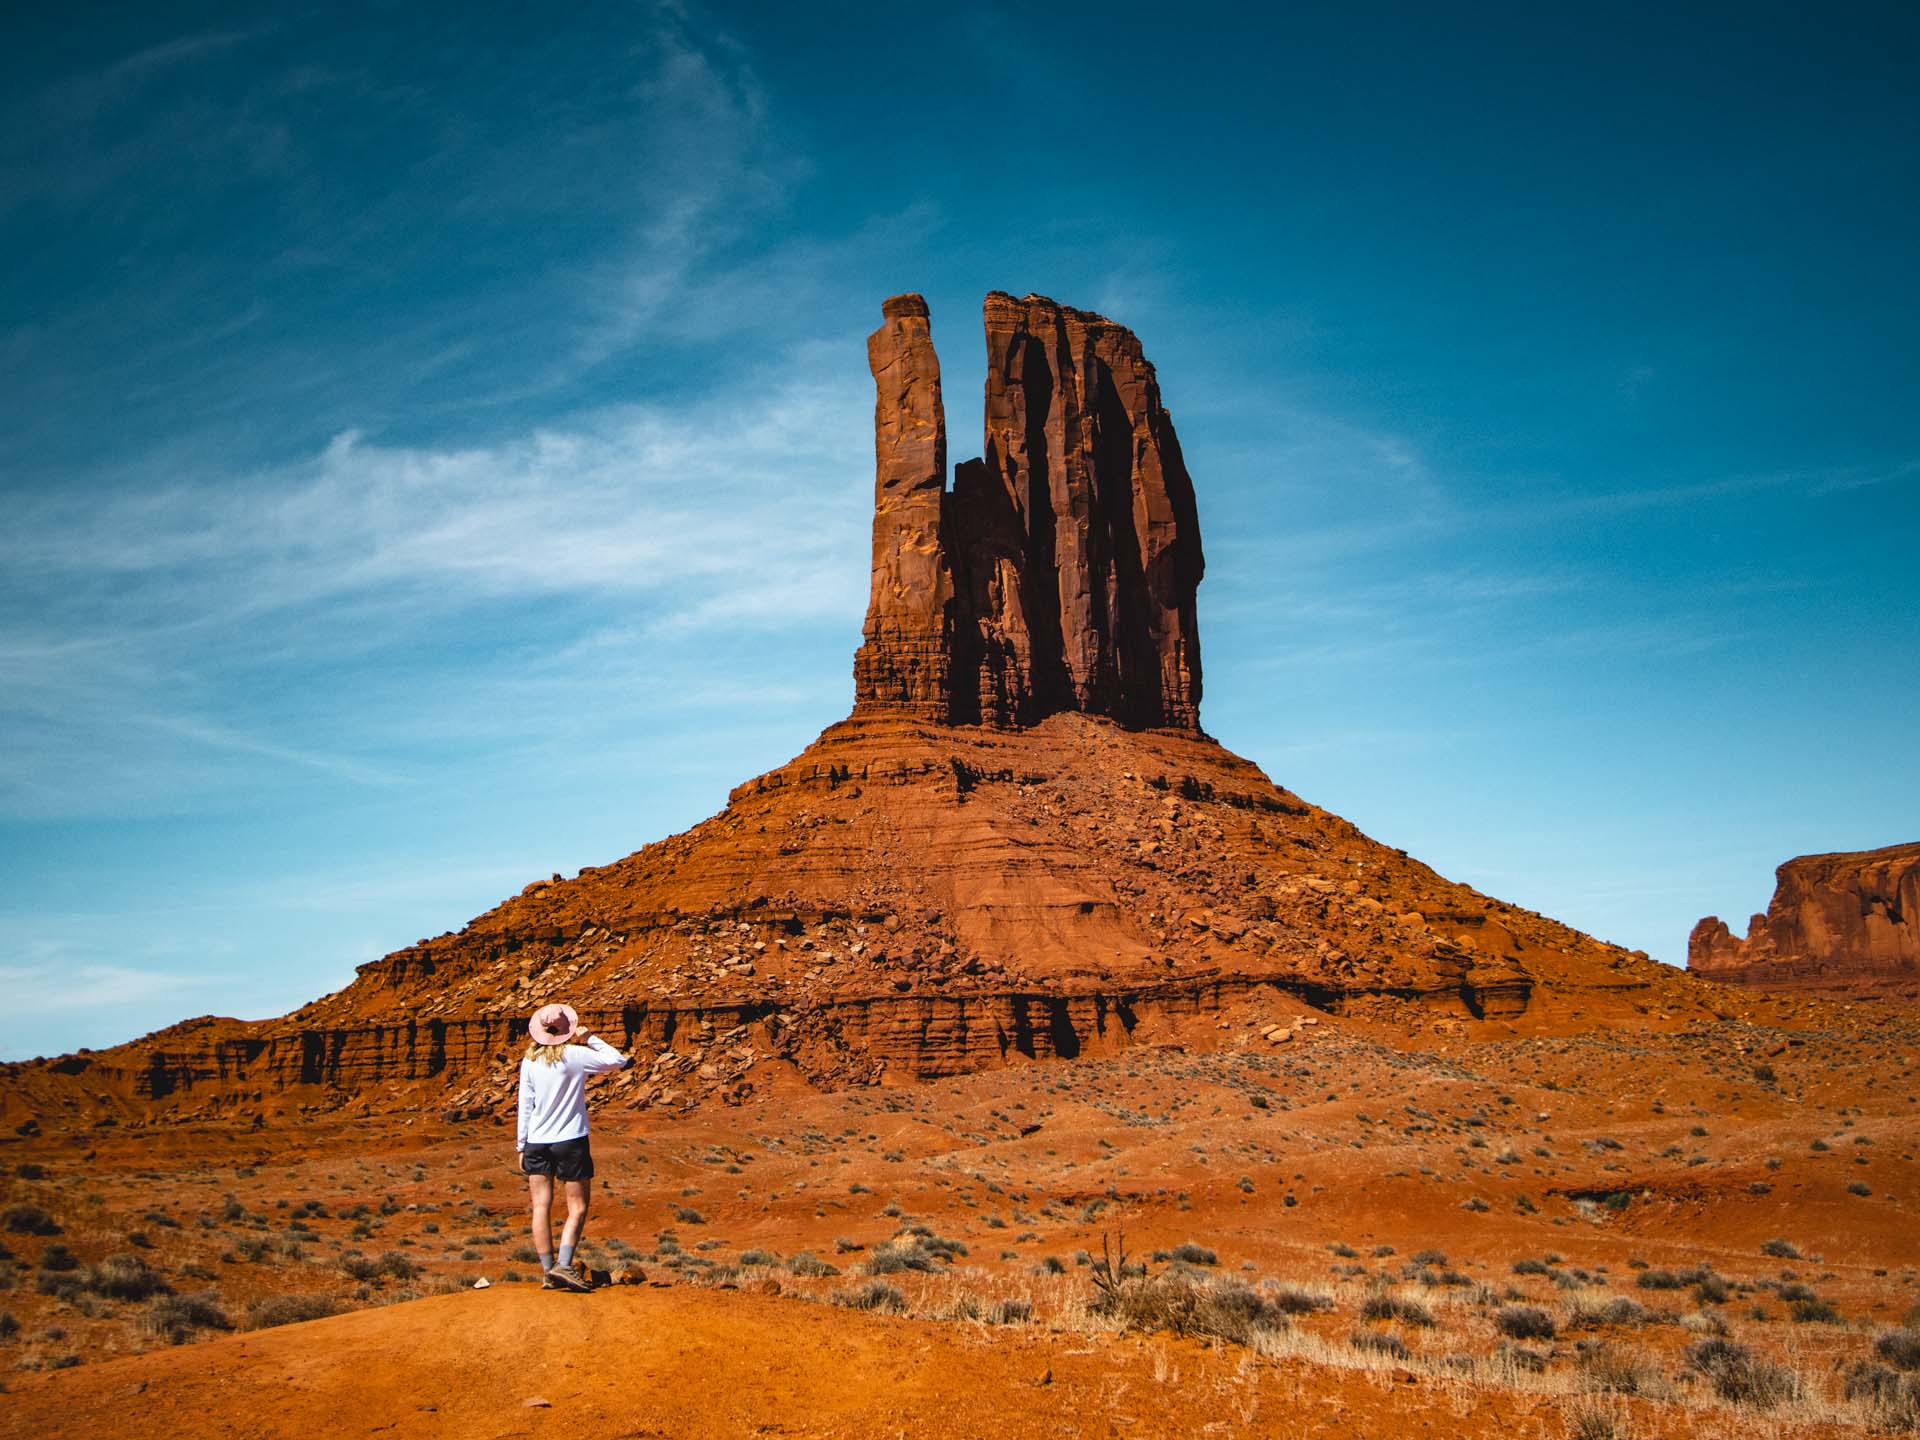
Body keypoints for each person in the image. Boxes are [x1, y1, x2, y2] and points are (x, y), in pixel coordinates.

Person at [515, 1001, 628, 1292]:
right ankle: (564, 1266)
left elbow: (525, 1105)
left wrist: (521, 1145)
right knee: (577, 1207)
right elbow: (618, 1060)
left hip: (536, 1142)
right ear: (568, 1030)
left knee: (540, 1206)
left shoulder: (529, 1061)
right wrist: (588, 1036)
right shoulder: (576, 1055)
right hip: (571, 1139)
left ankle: (547, 1271)